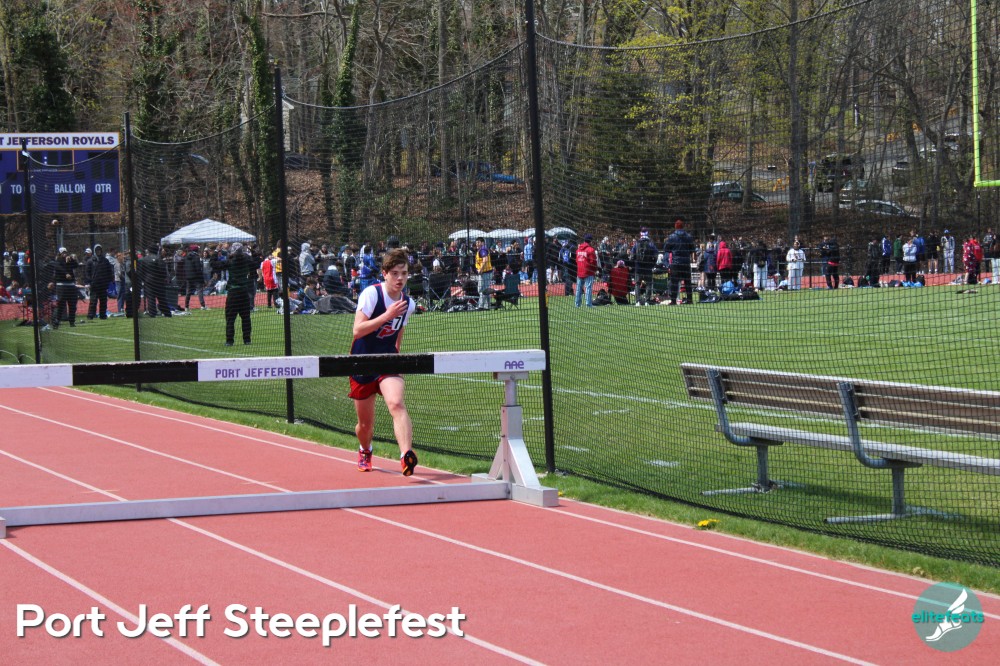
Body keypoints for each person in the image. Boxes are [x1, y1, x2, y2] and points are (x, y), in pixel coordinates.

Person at [349, 248, 418, 476]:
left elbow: (398, 336)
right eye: (395, 273)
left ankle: (406, 455)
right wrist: (387, 315)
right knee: (365, 425)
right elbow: (357, 330)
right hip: (362, 361)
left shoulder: (408, 303)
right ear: (385, 273)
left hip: (388, 360)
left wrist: (396, 360)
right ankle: (365, 449)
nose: (400, 279)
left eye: (404, 274)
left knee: (396, 403)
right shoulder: (371, 294)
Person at [224, 242, 254, 345]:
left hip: (233, 292)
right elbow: (256, 263)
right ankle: (247, 339)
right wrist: (251, 252)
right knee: (246, 318)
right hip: (244, 292)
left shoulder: (230, 261)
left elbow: (214, 264)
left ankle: (229, 340)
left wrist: (216, 252)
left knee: (230, 318)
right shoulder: (247, 261)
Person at [663, 219, 695, 304]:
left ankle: (673, 300)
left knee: (674, 282)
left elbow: (666, 248)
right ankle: (689, 299)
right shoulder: (688, 236)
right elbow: (692, 249)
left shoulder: (672, 237)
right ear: (683, 226)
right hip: (686, 262)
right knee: (687, 282)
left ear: (675, 227)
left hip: (676, 263)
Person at [139, 246, 172, 317]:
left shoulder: (144, 259)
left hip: (148, 281)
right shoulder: (159, 259)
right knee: (162, 298)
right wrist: (162, 278)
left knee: (150, 298)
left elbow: (141, 271)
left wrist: (144, 279)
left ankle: (152, 313)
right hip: (158, 281)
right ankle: (167, 312)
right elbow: (163, 270)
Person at [52, 247, 79, 328]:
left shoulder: (69, 260)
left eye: (65, 252)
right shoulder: (58, 261)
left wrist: (72, 259)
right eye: (63, 252)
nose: (65, 254)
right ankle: (56, 321)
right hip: (61, 286)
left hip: (71, 285)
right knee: (61, 304)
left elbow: (76, 265)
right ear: (60, 253)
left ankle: (72, 321)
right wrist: (66, 273)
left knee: (72, 304)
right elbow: (59, 268)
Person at [86, 244, 114, 320]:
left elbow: (109, 272)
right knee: (93, 301)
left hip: (103, 285)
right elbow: (87, 273)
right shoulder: (90, 261)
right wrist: (90, 281)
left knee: (103, 301)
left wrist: (109, 280)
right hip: (94, 285)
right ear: (94, 251)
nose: (98, 251)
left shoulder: (105, 261)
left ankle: (103, 315)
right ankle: (91, 315)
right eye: (97, 250)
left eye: (99, 250)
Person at [631, 227, 657, 305]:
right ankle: (647, 301)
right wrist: (652, 264)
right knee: (649, 284)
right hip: (648, 267)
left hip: (638, 268)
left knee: (637, 284)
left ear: (640, 234)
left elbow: (632, 256)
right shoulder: (650, 243)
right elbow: (656, 255)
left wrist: (635, 264)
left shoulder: (637, 244)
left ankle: (638, 301)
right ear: (647, 233)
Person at [574, 234, 599, 307]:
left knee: (579, 288)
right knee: (588, 288)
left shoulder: (578, 249)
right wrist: (595, 270)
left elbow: (576, 260)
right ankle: (588, 303)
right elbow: (593, 261)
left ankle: (577, 304)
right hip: (588, 271)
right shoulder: (591, 250)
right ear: (590, 241)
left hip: (580, 270)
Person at [184, 245, 207, 310]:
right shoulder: (196, 257)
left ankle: (186, 306)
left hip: (188, 277)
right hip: (196, 277)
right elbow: (198, 268)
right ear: (196, 250)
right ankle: (203, 305)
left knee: (188, 292)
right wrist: (202, 279)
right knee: (199, 291)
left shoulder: (186, 257)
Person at [474, 237, 493, 310]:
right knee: (485, 289)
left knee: (481, 290)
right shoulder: (481, 250)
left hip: (485, 273)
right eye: (476, 242)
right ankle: (487, 306)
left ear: (482, 243)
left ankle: (481, 306)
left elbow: (485, 260)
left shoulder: (482, 250)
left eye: (478, 242)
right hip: (486, 272)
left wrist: (480, 270)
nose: (477, 244)